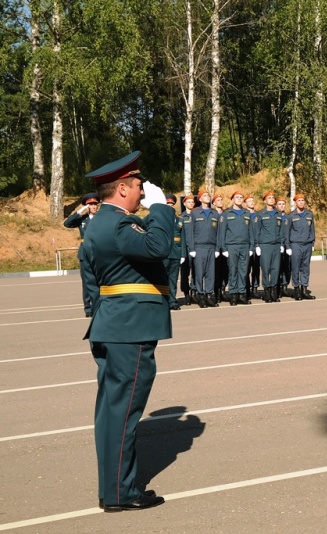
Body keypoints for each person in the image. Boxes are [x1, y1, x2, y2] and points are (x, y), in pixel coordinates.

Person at [82, 150, 168, 511]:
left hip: (112, 324)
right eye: (137, 186)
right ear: (120, 189)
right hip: (128, 329)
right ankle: (121, 493)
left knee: (112, 413)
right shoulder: (119, 223)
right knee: (123, 414)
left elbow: (90, 280)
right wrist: (162, 209)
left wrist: (100, 315)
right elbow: (158, 246)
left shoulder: (97, 225)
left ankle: (118, 485)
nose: (141, 191)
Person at [64, 192, 101, 317]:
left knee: (99, 280)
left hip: (99, 252)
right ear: (87, 206)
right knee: (86, 281)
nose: (94, 206)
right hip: (85, 253)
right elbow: (67, 223)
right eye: (90, 204)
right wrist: (80, 211)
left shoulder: (102, 218)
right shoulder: (82, 219)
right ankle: (88, 307)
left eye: (95, 204)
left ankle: (99, 305)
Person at [218, 191, 255, 305]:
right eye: (237, 197)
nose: (239, 199)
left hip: (244, 246)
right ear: (232, 199)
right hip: (231, 246)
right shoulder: (226, 214)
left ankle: (242, 294)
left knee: (243, 272)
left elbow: (251, 232)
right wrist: (223, 248)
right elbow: (222, 232)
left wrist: (251, 247)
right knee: (233, 271)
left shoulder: (246, 213)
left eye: (241, 197)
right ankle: (233, 295)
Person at [185, 189, 221, 307]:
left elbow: (218, 232)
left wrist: (217, 248)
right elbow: (190, 233)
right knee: (199, 273)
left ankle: (209, 295)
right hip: (199, 247)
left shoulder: (214, 213)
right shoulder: (195, 213)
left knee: (211, 273)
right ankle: (200, 295)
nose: (207, 197)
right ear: (200, 199)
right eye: (205, 196)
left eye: (208, 195)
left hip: (211, 246)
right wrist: (192, 249)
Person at [254, 192, 284, 302]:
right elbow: (256, 231)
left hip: (276, 245)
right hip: (265, 245)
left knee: (275, 269)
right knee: (266, 269)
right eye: (269, 198)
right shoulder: (260, 214)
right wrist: (257, 245)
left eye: (273, 198)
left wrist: (281, 244)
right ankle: (267, 291)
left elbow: (281, 231)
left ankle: (274, 291)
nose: (271, 200)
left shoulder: (278, 214)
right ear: (265, 201)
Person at [285, 193, 316, 300]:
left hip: (307, 245)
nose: (301, 202)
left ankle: (304, 289)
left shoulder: (309, 214)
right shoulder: (291, 216)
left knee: (305, 268)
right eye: (299, 201)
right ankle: (297, 290)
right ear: (295, 203)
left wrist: (312, 243)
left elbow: (312, 229)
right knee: (295, 268)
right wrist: (288, 247)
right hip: (296, 245)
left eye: (302, 200)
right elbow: (287, 232)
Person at [163, 194, 185, 310]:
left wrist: (183, 254)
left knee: (173, 278)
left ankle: (172, 300)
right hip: (164, 253)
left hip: (176, 253)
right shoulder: (160, 219)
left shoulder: (179, 220)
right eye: (168, 204)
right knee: (162, 278)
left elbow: (183, 237)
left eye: (172, 204)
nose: (170, 206)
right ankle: (163, 301)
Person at [179, 195, 196, 306]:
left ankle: (194, 291)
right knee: (185, 273)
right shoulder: (181, 217)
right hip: (185, 248)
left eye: (192, 202)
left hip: (195, 248)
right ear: (184, 204)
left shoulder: (197, 216)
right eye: (188, 202)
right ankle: (186, 294)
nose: (191, 203)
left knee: (196, 272)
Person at [276, 198, 293, 297]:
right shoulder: (274, 217)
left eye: (283, 204)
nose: (282, 206)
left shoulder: (288, 217)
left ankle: (285, 286)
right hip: (278, 245)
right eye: (279, 204)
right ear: (276, 205)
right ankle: (277, 287)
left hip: (287, 245)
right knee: (277, 267)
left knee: (287, 266)